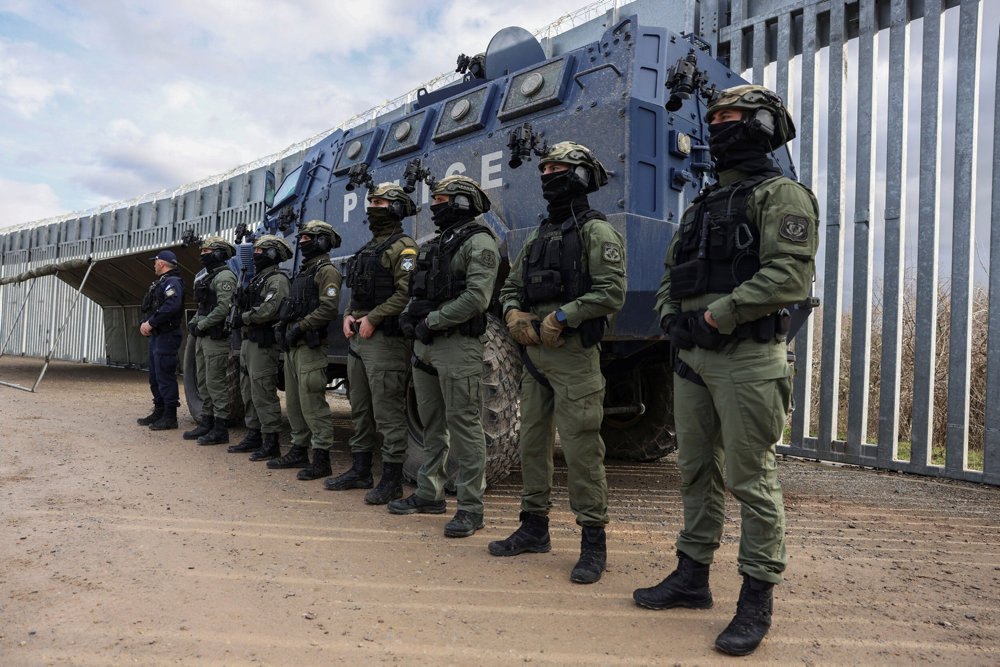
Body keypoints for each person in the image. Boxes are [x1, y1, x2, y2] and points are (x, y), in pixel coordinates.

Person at [632, 85, 819, 656]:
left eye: (729, 117)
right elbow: (673, 271)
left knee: (750, 480)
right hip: (694, 358)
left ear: (762, 125)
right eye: (711, 119)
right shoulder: (702, 204)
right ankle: (692, 578)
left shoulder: (782, 194)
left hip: (747, 357)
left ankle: (756, 598)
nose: (716, 127)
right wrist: (671, 318)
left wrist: (720, 314)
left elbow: (789, 278)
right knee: (695, 473)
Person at [488, 142, 625, 584]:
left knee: (583, 450)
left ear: (582, 175)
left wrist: (562, 316)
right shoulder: (538, 234)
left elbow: (610, 293)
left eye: (559, 167)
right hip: (534, 358)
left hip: (573, 356)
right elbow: (510, 286)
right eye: (544, 167)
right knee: (532, 444)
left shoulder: (596, 232)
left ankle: (592, 543)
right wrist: (512, 314)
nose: (549, 174)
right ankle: (534, 528)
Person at [387, 175, 499, 539]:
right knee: (432, 425)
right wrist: (408, 317)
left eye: (442, 198)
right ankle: (429, 493)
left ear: (463, 202)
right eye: (434, 198)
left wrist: (431, 322)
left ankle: (470, 507)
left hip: (456, 345)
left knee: (465, 426)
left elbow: (477, 299)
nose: (435, 204)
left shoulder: (480, 242)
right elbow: (418, 291)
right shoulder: (436, 244)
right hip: (427, 348)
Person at [326, 184, 419, 504]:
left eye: (380, 202)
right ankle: (361, 470)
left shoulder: (405, 248)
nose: (372, 208)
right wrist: (348, 316)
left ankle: (392, 480)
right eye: (372, 202)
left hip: (384, 341)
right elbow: (358, 292)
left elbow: (405, 293)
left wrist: (373, 318)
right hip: (359, 338)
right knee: (361, 410)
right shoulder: (368, 249)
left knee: (388, 411)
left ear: (395, 208)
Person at [268, 220, 343, 481]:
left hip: (310, 346)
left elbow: (328, 309)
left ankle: (321, 458)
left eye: (308, 238)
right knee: (296, 403)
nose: (302, 242)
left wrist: (300, 326)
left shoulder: (327, 272)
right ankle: (299, 450)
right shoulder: (303, 273)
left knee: (313, 403)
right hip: (293, 347)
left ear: (322, 241)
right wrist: (282, 327)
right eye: (302, 238)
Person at [226, 234, 293, 461]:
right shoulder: (256, 279)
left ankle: (271, 441)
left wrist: (243, 317)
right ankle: (253, 434)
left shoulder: (277, 280)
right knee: (248, 390)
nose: (255, 256)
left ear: (273, 254)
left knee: (263, 391)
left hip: (263, 343)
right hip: (249, 341)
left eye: (260, 252)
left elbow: (270, 310)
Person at [183, 236, 238, 446]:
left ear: (218, 254)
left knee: (216, 383)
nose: (202, 256)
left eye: (207, 252)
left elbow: (224, 308)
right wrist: (195, 323)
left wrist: (202, 324)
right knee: (204, 381)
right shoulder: (209, 276)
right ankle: (206, 422)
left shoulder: (225, 277)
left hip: (215, 337)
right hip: (204, 337)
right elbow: (204, 307)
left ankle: (220, 429)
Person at [137, 250, 186, 431]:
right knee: (155, 376)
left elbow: (172, 306)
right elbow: (151, 307)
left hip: (167, 335)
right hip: (157, 335)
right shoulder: (161, 283)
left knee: (165, 374)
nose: (154, 264)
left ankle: (170, 416)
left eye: (155, 261)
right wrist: (145, 323)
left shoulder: (173, 283)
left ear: (162, 263)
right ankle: (159, 409)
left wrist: (152, 323)